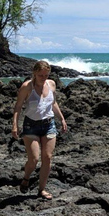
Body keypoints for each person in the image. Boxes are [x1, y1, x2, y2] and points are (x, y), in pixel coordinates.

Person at [11, 60, 67, 199]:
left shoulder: (51, 84)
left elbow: (53, 103)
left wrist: (62, 119)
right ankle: (26, 178)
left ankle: (41, 190)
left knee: (47, 157)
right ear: (35, 73)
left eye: (46, 75)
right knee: (34, 159)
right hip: (31, 125)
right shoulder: (27, 87)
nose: (43, 78)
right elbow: (18, 107)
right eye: (41, 75)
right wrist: (14, 125)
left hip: (49, 124)